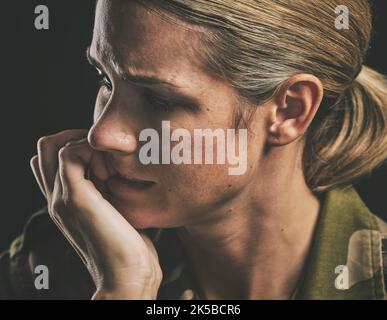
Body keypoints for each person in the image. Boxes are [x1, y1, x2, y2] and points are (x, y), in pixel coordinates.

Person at [1, 0, 387, 300]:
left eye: (159, 100)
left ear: (289, 111)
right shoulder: (46, 272)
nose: (103, 134)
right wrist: (124, 289)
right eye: (105, 78)